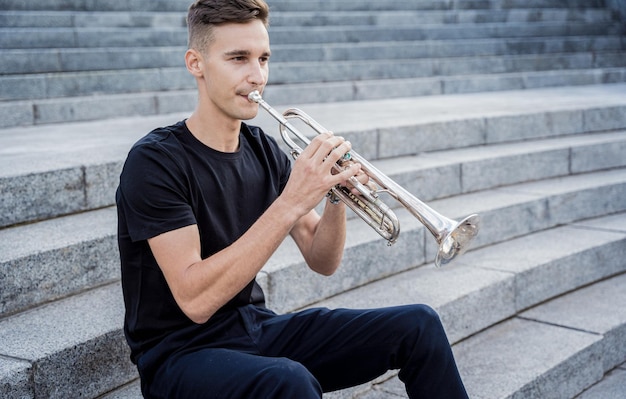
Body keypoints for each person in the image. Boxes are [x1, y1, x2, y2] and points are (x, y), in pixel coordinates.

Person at [116, 0, 469, 397]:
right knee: (289, 380)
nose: (256, 76)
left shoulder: (263, 149)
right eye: (238, 59)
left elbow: (323, 260)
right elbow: (195, 299)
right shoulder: (155, 161)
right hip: (179, 355)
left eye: (263, 59)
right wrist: (290, 202)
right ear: (196, 63)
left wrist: (336, 195)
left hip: (251, 326)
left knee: (418, 324)